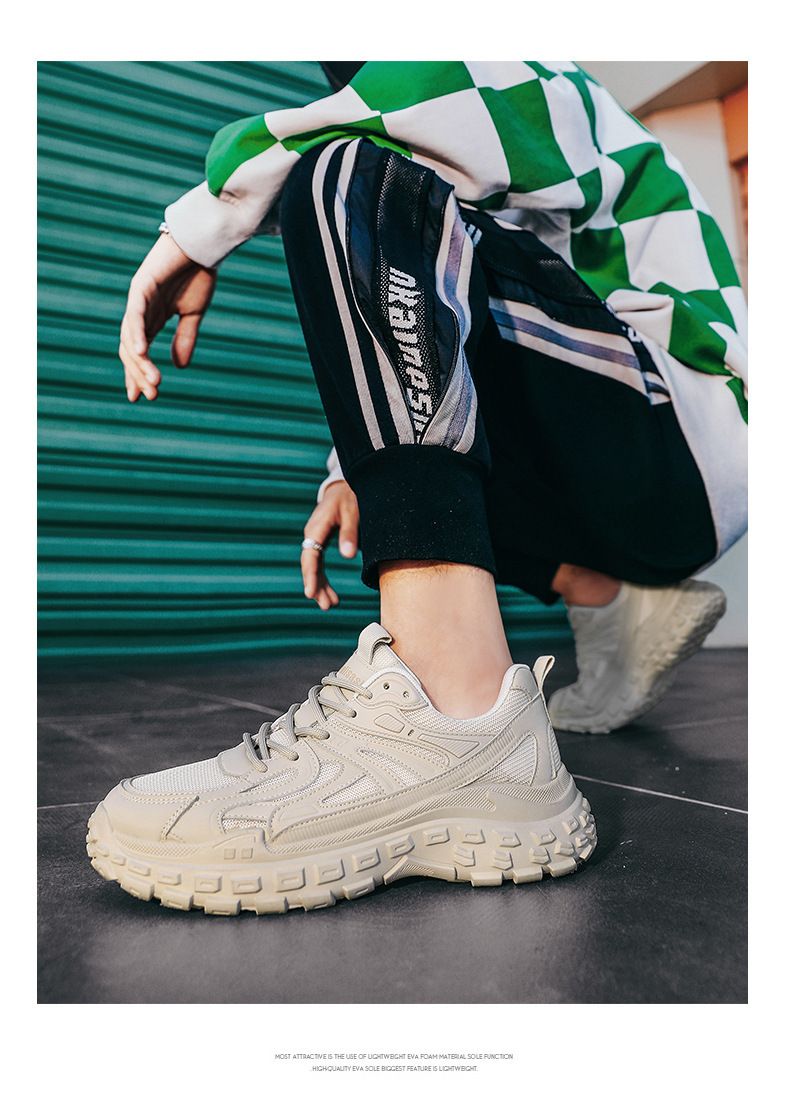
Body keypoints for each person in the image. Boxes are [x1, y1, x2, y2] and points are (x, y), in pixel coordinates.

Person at [89, 62, 746, 914]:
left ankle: (449, 710)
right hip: (632, 476)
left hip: (688, 424)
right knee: (399, 428)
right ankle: (611, 601)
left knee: (348, 173)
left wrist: (202, 219)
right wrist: (357, 470)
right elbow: (431, 313)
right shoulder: (461, 162)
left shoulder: (519, 67)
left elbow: (413, 99)